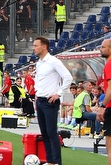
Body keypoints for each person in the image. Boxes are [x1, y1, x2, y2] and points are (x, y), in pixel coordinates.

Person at [33, 36, 73, 165]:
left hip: (50, 101)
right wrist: (37, 93)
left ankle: (56, 162)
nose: (34, 48)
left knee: (51, 132)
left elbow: (67, 77)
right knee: (44, 132)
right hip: (40, 100)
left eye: (36, 45)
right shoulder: (39, 62)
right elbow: (39, 80)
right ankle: (50, 161)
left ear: (44, 46)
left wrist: (59, 93)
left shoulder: (53, 61)